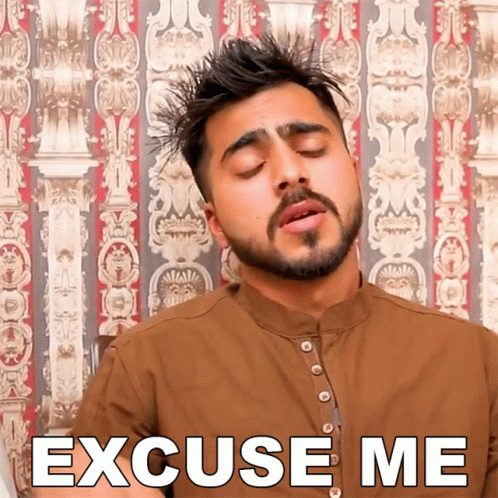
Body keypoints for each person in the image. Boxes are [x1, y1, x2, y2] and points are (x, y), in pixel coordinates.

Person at [34, 36, 497, 497]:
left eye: (311, 148)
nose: (290, 174)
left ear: (355, 173)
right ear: (216, 223)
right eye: (251, 166)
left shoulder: (477, 361)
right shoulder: (145, 363)